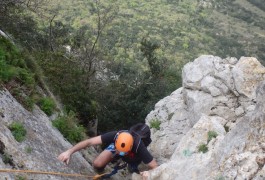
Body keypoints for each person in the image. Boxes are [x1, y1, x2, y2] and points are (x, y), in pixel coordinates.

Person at [57, 126, 158, 179]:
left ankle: (131, 165)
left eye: (122, 153)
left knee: (133, 168)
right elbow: (90, 141)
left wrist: (148, 172)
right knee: (97, 164)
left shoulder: (139, 147)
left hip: (134, 156)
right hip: (120, 147)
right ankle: (108, 164)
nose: (120, 153)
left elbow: (155, 166)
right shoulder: (116, 135)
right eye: (118, 151)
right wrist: (69, 152)